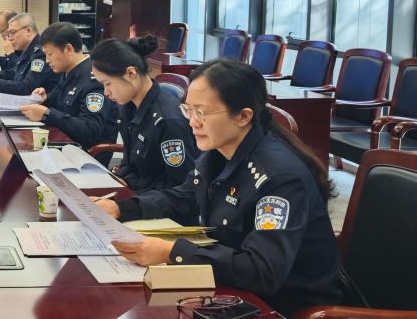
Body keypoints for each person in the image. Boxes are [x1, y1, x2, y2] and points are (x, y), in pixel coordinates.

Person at [96, 59, 342, 315]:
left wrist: (173, 252)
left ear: (243, 116)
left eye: (201, 113)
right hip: (228, 290)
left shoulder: (279, 178)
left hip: (281, 307)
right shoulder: (218, 152)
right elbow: (185, 198)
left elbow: (262, 271)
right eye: (188, 110)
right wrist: (121, 208)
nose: (192, 122)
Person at [91, 35, 197, 191]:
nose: (106, 92)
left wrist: (130, 190)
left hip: (155, 202)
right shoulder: (129, 105)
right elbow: (131, 163)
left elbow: (181, 189)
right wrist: (120, 177)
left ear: (131, 73)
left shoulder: (168, 122)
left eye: (108, 84)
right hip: (134, 191)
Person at [18, 22, 119, 165]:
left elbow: (89, 130)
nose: (47, 60)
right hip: (63, 144)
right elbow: (59, 101)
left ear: (68, 49)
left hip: (85, 157)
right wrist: (44, 98)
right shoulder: (68, 72)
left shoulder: (94, 79)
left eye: (50, 54)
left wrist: (47, 113)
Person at [0, 13, 58, 95]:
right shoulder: (27, 49)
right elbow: (14, 73)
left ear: (28, 31)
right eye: (9, 34)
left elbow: (26, 88)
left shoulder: (41, 53)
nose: (10, 38)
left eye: (13, 32)